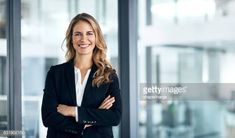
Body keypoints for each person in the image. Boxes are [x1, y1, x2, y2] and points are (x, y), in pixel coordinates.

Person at [41, 13, 122, 138]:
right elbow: (48, 117)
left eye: (89, 33)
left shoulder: (108, 76)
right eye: (78, 34)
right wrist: (88, 120)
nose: (83, 39)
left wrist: (74, 111)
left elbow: (114, 117)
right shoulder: (56, 74)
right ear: (71, 38)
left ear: (96, 38)